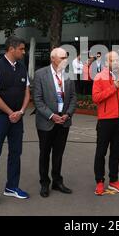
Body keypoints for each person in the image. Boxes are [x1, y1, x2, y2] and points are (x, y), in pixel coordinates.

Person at [0, 36, 31, 207]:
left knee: (15, 153)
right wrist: (11, 113)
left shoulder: (22, 68)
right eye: (22, 49)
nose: (24, 52)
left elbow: (27, 93)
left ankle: (11, 187)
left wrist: (21, 111)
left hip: (17, 118)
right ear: (12, 48)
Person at [33, 47, 77, 198]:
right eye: (62, 58)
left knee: (58, 153)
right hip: (46, 122)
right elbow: (37, 100)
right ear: (53, 58)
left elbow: (73, 98)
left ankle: (57, 181)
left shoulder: (69, 75)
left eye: (66, 58)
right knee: (45, 153)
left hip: (64, 121)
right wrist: (51, 115)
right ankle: (44, 183)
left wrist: (68, 114)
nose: (65, 61)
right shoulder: (40, 74)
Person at [92, 51, 119, 196]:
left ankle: (114, 180)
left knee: (116, 152)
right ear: (106, 63)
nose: (116, 63)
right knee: (101, 152)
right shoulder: (99, 77)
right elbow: (96, 98)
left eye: (117, 60)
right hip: (105, 121)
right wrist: (112, 88)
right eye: (113, 60)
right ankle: (99, 181)